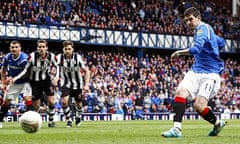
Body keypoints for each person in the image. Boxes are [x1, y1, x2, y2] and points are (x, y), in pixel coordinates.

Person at [161, 7, 226, 138]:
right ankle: (176, 129)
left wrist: (179, 52)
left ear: (198, 18)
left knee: (199, 105)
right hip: (196, 71)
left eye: (191, 19)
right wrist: (214, 45)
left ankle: (217, 123)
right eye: (186, 21)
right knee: (180, 92)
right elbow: (222, 42)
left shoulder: (202, 29)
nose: (189, 23)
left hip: (210, 75)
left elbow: (196, 49)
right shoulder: (206, 31)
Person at [11, 39, 59, 127]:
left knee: (52, 102)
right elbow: (25, 70)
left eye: (43, 47)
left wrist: (56, 76)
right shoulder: (32, 57)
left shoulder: (51, 56)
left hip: (46, 81)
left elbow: (57, 66)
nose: (41, 48)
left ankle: (51, 121)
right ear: (37, 48)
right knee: (36, 106)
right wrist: (16, 78)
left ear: (46, 48)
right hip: (34, 82)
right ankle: (34, 122)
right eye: (39, 47)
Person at [0, 40, 34, 128]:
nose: (14, 49)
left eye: (16, 47)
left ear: (20, 48)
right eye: (12, 47)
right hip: (14, 83)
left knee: (28, 99)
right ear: (9, 48)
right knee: (6, 102)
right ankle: (0, 120)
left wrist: (15, 78)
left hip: (25, 82)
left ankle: (32, 121)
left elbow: (28, 73)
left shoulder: (24, 59)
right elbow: (3, 69)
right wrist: (3, 82)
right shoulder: (7, 57)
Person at [56, 40, 90, 127]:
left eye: (69, 49)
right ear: (63, 49)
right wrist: (56, 76)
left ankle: (78, 116)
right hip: (66, 83)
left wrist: (86, 85)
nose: (67, 51)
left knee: (78, 103)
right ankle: (69, 119)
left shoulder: (77, 58)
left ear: (72, 49)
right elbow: (55, 67)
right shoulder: (59, 57)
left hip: (77, 84)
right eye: (65, 49)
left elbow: (86, 71)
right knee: (64, 102)